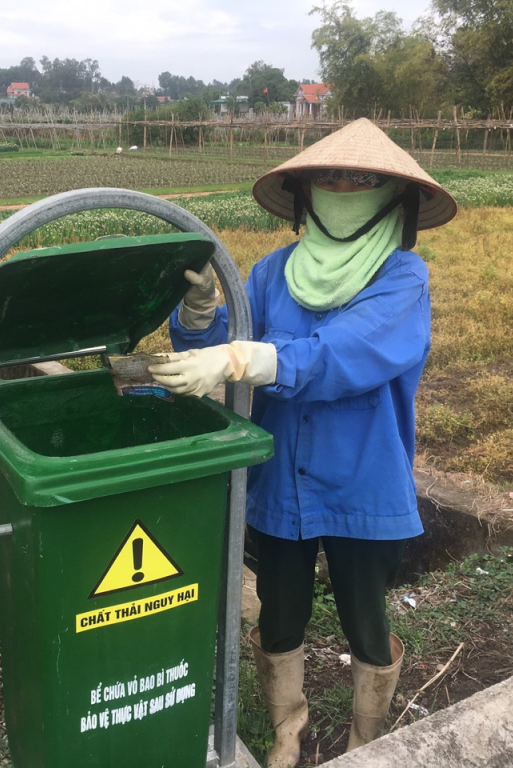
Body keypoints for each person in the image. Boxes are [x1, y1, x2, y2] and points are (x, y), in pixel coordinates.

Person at [148, 118, 458, 767]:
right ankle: (288, 733)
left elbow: (348, 354)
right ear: (307, 192)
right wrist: (201, 316)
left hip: (363, 481)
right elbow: (220, 352)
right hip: (279, 479)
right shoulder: (270, 273)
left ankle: (366, 740)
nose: (345, 187)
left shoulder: (403, 279)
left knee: (363, 615)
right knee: (281, 614)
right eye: (331, 176)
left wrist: (246, 359)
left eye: (365, 178)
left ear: (393, 198)